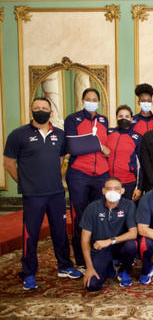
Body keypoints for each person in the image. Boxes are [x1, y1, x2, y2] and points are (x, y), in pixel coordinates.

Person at [4, 97, 82, 290]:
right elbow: (8, 163)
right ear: (31, 111)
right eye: (37, 108)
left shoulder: (60, 135)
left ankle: (64, 265)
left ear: (51, 112)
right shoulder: (18, 135)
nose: (41, 110)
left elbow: (61, 158)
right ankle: (29, 273)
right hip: (33, 195)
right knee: (31, 234)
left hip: (56, 192)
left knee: (60, 232)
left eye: (44, 108)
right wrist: (25, 182)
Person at [64, 88, 110, 270]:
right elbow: (73, 146)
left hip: (101, 174)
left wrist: (96, 145)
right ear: (82, 100)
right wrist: (98, 145)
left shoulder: (103, 120)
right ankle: (81, 260)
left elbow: (107, 144)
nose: (91, 101)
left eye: (94, 99)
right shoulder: (72, 119)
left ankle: (98, 255)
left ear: (99, 102)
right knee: (80, 217)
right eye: (88, 99)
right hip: (79, 173)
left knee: (100, 215)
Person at [81, 177, 138, 291]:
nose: (112, 191)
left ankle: (124, 270)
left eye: (116, 188)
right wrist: (89, 267)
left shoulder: (129, 205)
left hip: (120, 245)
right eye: (109, 189)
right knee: (91, 285)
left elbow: (133, 233)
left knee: (131, 245)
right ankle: (107, 266)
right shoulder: (93, 207)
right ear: (103, 191)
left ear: (122, 190)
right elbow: (85, 239)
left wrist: (110, 241)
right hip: (101, 249)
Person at [107, 105, 142, 201]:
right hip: (110, 182)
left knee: (129, 213)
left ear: (131, 119)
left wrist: (139, 188)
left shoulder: (137, 137)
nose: (124, 119)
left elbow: (141, 165)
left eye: (127, 116)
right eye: (120, 116)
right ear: (116, 118)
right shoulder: (109, 133)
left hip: (129, 182)